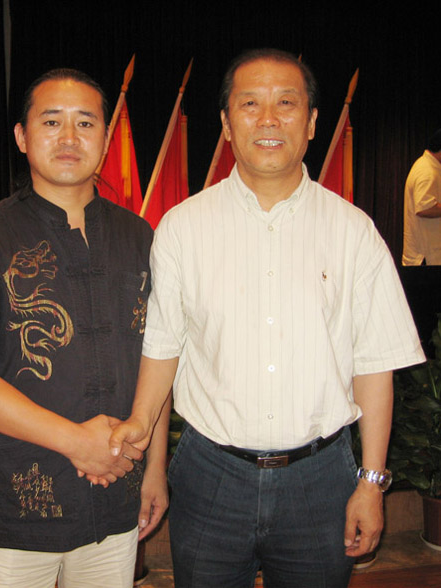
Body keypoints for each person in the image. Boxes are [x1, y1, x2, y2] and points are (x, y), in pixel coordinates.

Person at [110, 49, 426, 588]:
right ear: (226, 123)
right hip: (209, 475)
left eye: (286, 103)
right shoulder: (182, 228)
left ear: (312, 121)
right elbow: (163, 349)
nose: (269, 119)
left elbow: (375, 364)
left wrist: (371, 483)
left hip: (321, 480)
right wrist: (148, 456)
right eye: (250, 104)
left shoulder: (354, 232)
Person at [0, 69, 169, 588]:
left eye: (85, 123)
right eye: (51, 122)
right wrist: (76, 442)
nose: (69, 137)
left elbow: (157, 357)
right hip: (17, 499)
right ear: (22, 136)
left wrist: (156, 467)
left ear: (105, 139)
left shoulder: (140, 237)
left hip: (118, 492)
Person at [402, 128, 441, 265]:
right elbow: (424, 208)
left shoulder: (429, 167)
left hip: (427, 257)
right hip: (425, 259)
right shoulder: (427, 171)